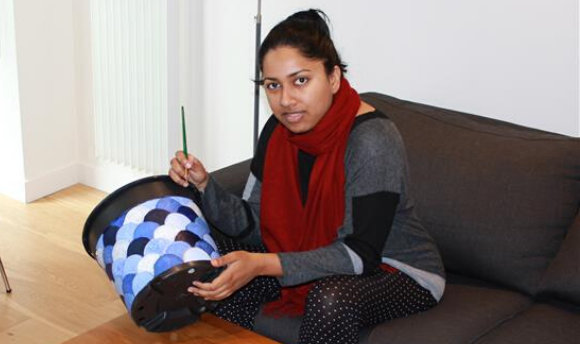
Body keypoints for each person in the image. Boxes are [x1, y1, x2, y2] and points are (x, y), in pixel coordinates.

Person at [169, 9, 445, 344]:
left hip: (396, 269)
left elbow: (360, 254)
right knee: (209, 254)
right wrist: (204, 185)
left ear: (333, 77)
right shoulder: (277, 130)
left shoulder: (373, 140)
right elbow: (256, 224)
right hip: (309, 250)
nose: (285, 100)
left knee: (330, 301)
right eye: (273, 85)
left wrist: (263, 264)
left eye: (301, 80)